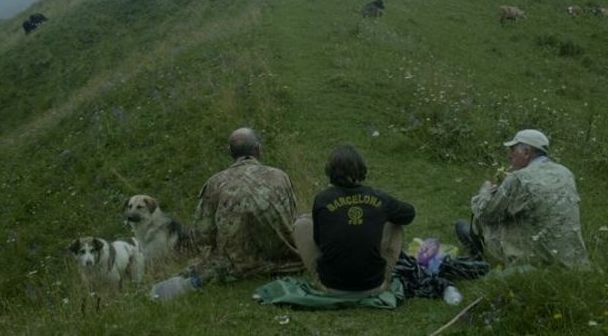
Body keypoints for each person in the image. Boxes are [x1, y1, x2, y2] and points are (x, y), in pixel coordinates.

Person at [151, 127, 302, 299]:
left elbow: (202, 236)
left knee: (188, 275)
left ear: (230, 152)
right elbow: (291, 218)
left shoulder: (215, 183)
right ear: (258, 149)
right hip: (284, 262)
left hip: (236, 267)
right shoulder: (280, 176)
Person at [456, 129, 590, 270]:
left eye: (513, 149)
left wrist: (485, 192)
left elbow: (485, 212)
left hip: (538, 257)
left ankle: (475, 254)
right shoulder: (565, 172)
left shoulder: (519, 178)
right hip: (571, 256)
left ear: (526, 152)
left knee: (478, 218)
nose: (510, 155)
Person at [294, 144, 416, 293]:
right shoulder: (378, 197)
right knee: (395, 222)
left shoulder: (322, 199)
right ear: (361, 169)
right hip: (374, 286)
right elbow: (409, 214)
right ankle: (384, 275)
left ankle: (321, 278)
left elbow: (319, 241)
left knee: (301, 224)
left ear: (330, 172)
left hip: (331, 286)